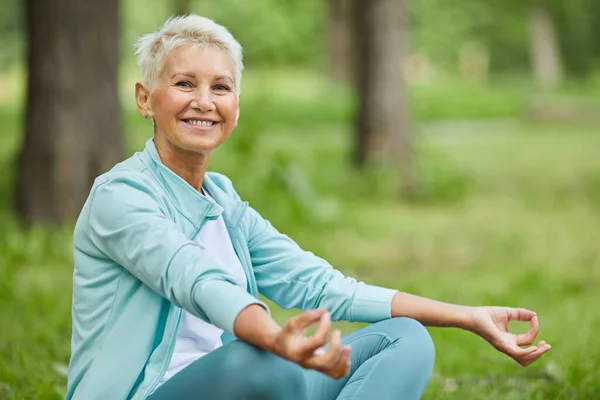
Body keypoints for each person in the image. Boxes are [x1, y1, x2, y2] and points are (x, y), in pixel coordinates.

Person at [65, 14, 551, 400]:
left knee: (404, 339)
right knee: (257, 362)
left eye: (221, 87)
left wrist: (467, 316)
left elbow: (322, 285)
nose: (204, 101)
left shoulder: (223, 202)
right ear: (145, 99)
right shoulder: (120, 196)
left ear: (236, 103)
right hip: (160, 391)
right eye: (185, 84)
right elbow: (192, 278)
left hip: (257, 385)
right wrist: (275, 340)